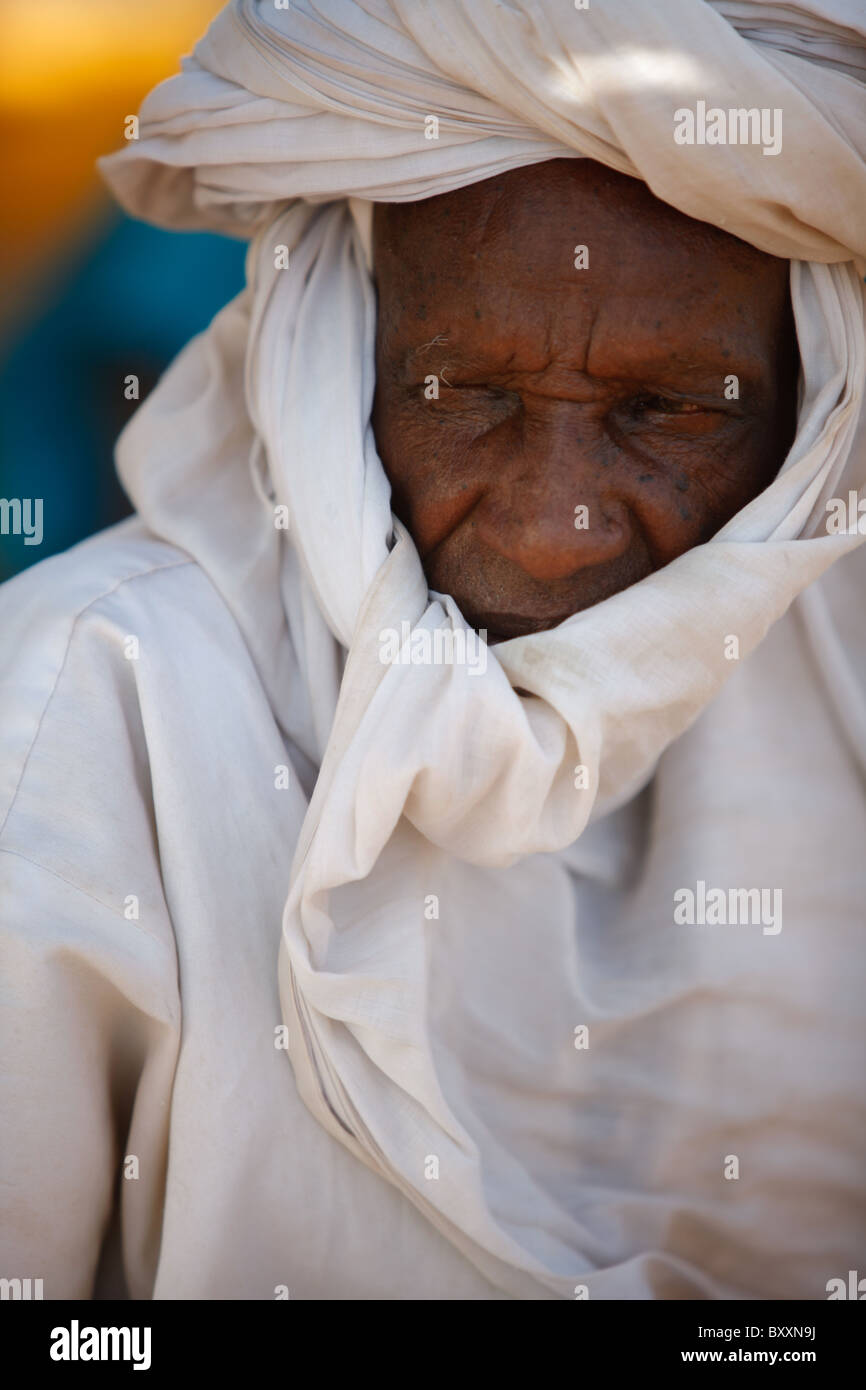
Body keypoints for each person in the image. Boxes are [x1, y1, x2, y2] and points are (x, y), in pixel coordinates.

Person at [1, 0, 864, 1300]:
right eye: (463, 394)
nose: (552, 528)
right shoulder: (95, 693)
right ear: (330, 353)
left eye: (669, 409)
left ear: (815, 403)